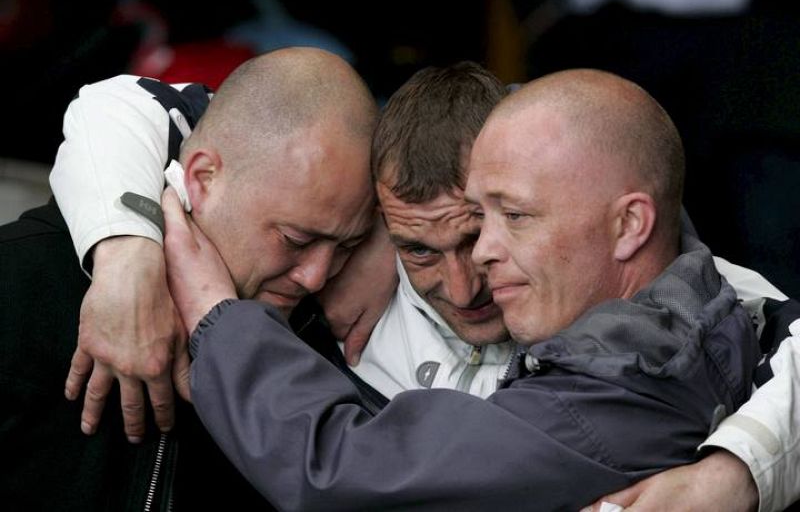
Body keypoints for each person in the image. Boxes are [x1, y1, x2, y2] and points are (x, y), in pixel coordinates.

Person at [51, 62, 800, 510]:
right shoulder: (341, 237)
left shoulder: (655, 349)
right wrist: (125, 257)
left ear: (627, 222)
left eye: (501, 220)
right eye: (418, 247)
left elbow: (341, 473)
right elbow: (125, 101)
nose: (473, 273)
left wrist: (739, 469)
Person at [0, 46, 378, 510]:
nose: (317, 277)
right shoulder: (20, 279)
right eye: (295, 239)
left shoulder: (332, 338)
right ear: (203, 176)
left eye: (347, 246)